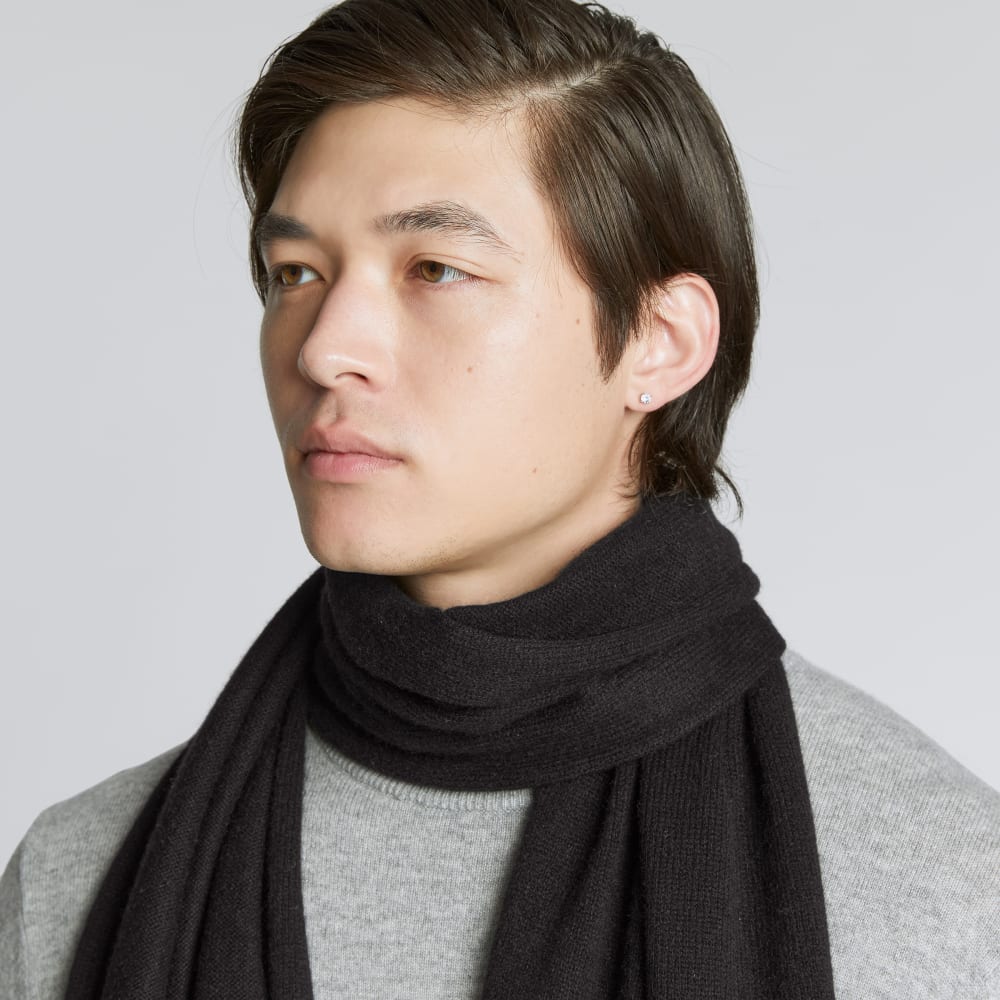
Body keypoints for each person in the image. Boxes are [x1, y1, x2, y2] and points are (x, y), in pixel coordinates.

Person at [1, 0, 997, 996]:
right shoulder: (75, 880)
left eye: (436, 269)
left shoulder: (943, 893)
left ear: (660, 343)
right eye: (295, 272)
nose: (324, 348)